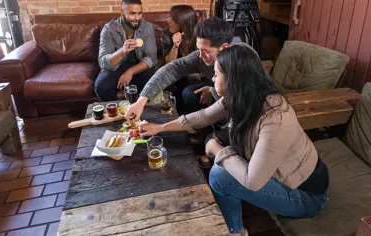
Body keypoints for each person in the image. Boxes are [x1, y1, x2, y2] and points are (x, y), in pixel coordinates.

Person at [140, 44, 330, 236]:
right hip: (278, 175)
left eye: (216, 73)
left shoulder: (277, 117)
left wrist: (217, 150)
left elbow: (253, 181)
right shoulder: (242, 96)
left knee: (220, 175)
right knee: (219, 148)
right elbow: (203, 117)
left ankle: (236, 231)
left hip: (307, 196)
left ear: (233, 79)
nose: (212, 78)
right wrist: (158, 128)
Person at [126, 16, 234, 119]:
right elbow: (171, 69)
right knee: (189, 93)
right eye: (199, 49)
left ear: (224, 48)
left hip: (237, 108)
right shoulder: (199, 57)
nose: (200, 56)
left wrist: (213, 91)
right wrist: (141, 102)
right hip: (221, 89)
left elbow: (236, 106)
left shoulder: (244, 64)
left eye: (206, 51)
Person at [94, 0, 157, 101]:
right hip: (117, 68)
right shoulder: (109, 29)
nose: (137, 18)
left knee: (159, 80)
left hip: (138, 67)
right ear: (122, 12)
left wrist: (130, 72)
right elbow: (103, 62)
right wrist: (123, 51)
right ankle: (117, 114)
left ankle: (142, 112)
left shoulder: (147, 27)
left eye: (139, 13)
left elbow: (152, 57)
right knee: (101, 86)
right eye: (132, 13)